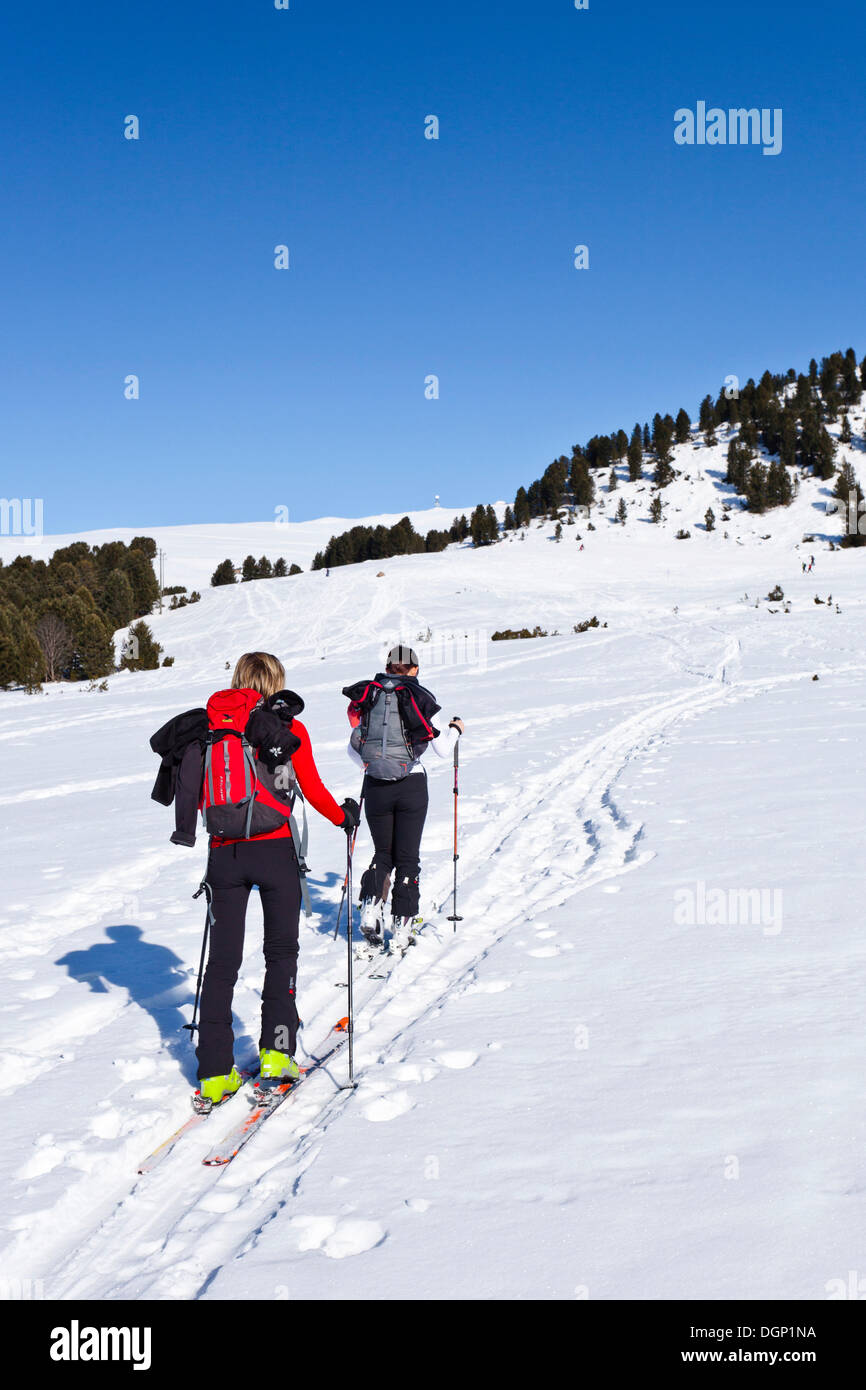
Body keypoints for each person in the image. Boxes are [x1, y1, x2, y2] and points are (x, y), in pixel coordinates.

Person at [150, 652, 359, 1108]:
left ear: (238, 681)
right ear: (276, 682)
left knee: (222, 963)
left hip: (224, 856)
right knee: (280, 952)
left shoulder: (208, 730)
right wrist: (344, 817)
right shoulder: (287, 728)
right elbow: (313, 788)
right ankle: (277, 1054)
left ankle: (213, 1074)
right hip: (275, 851)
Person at [342, 644, 464, 946]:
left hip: (375, 785)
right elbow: (442, 748)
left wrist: (371, 766)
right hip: (411, 784)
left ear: (386, 668)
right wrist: (457, 730)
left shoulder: (370, 696)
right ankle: (402, 926)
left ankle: (371, 906)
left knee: (383, 853)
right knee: (408, 858)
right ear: (415, 670)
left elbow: (352, 747)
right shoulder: (418, 697)